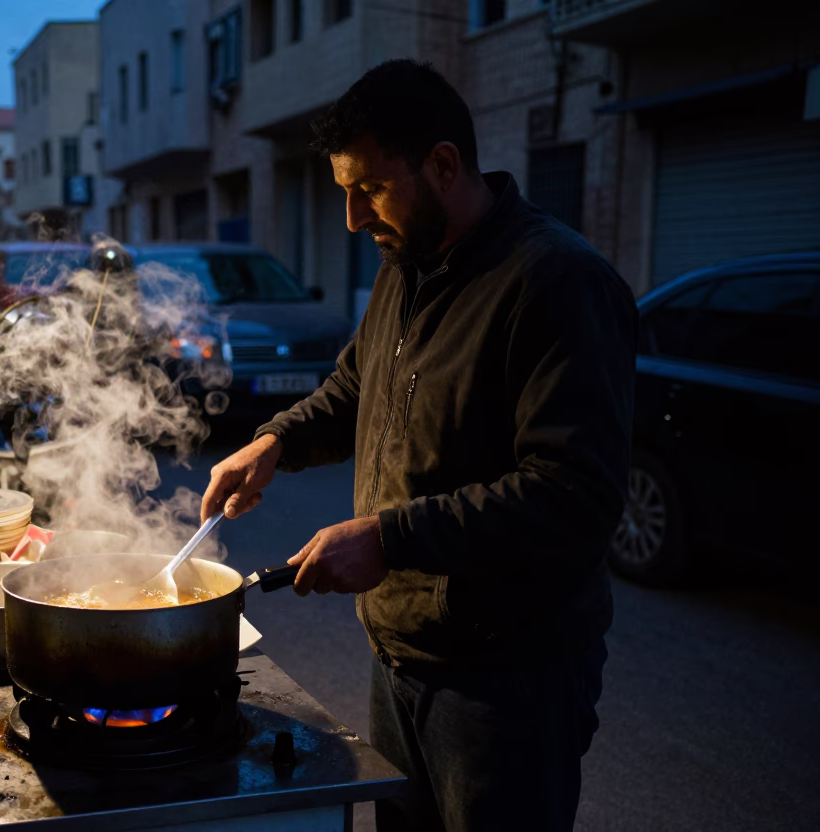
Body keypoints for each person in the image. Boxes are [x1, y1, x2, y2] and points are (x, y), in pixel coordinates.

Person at [201, 60, 637, 832]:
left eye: (367, 188)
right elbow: (352, 392)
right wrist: (273, 441)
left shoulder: (557, 282)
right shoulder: (406, 268)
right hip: (400, 658)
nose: (350, 218)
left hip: (508, 681)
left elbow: (576, 492)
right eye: (342, 191)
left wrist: (390, 536)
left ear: (442, 165)